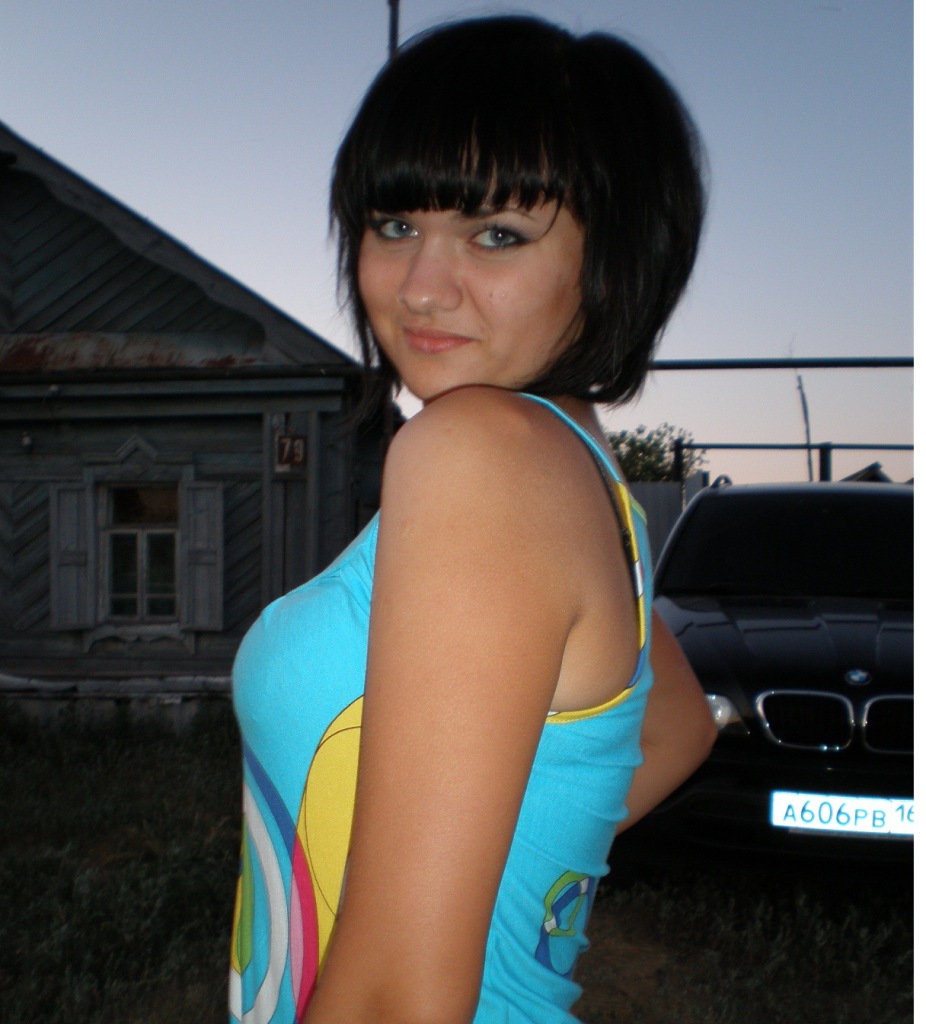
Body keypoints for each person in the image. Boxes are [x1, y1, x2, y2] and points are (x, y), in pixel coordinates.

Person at [229, 15, 716, 1024]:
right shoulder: (579, 479)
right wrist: (500, 883)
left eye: (497, 235)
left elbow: (400, 1001)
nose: (419, 288)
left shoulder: (478, 456)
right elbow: (674, 726)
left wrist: (429, 939)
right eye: (394, 225)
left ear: (610, 259)